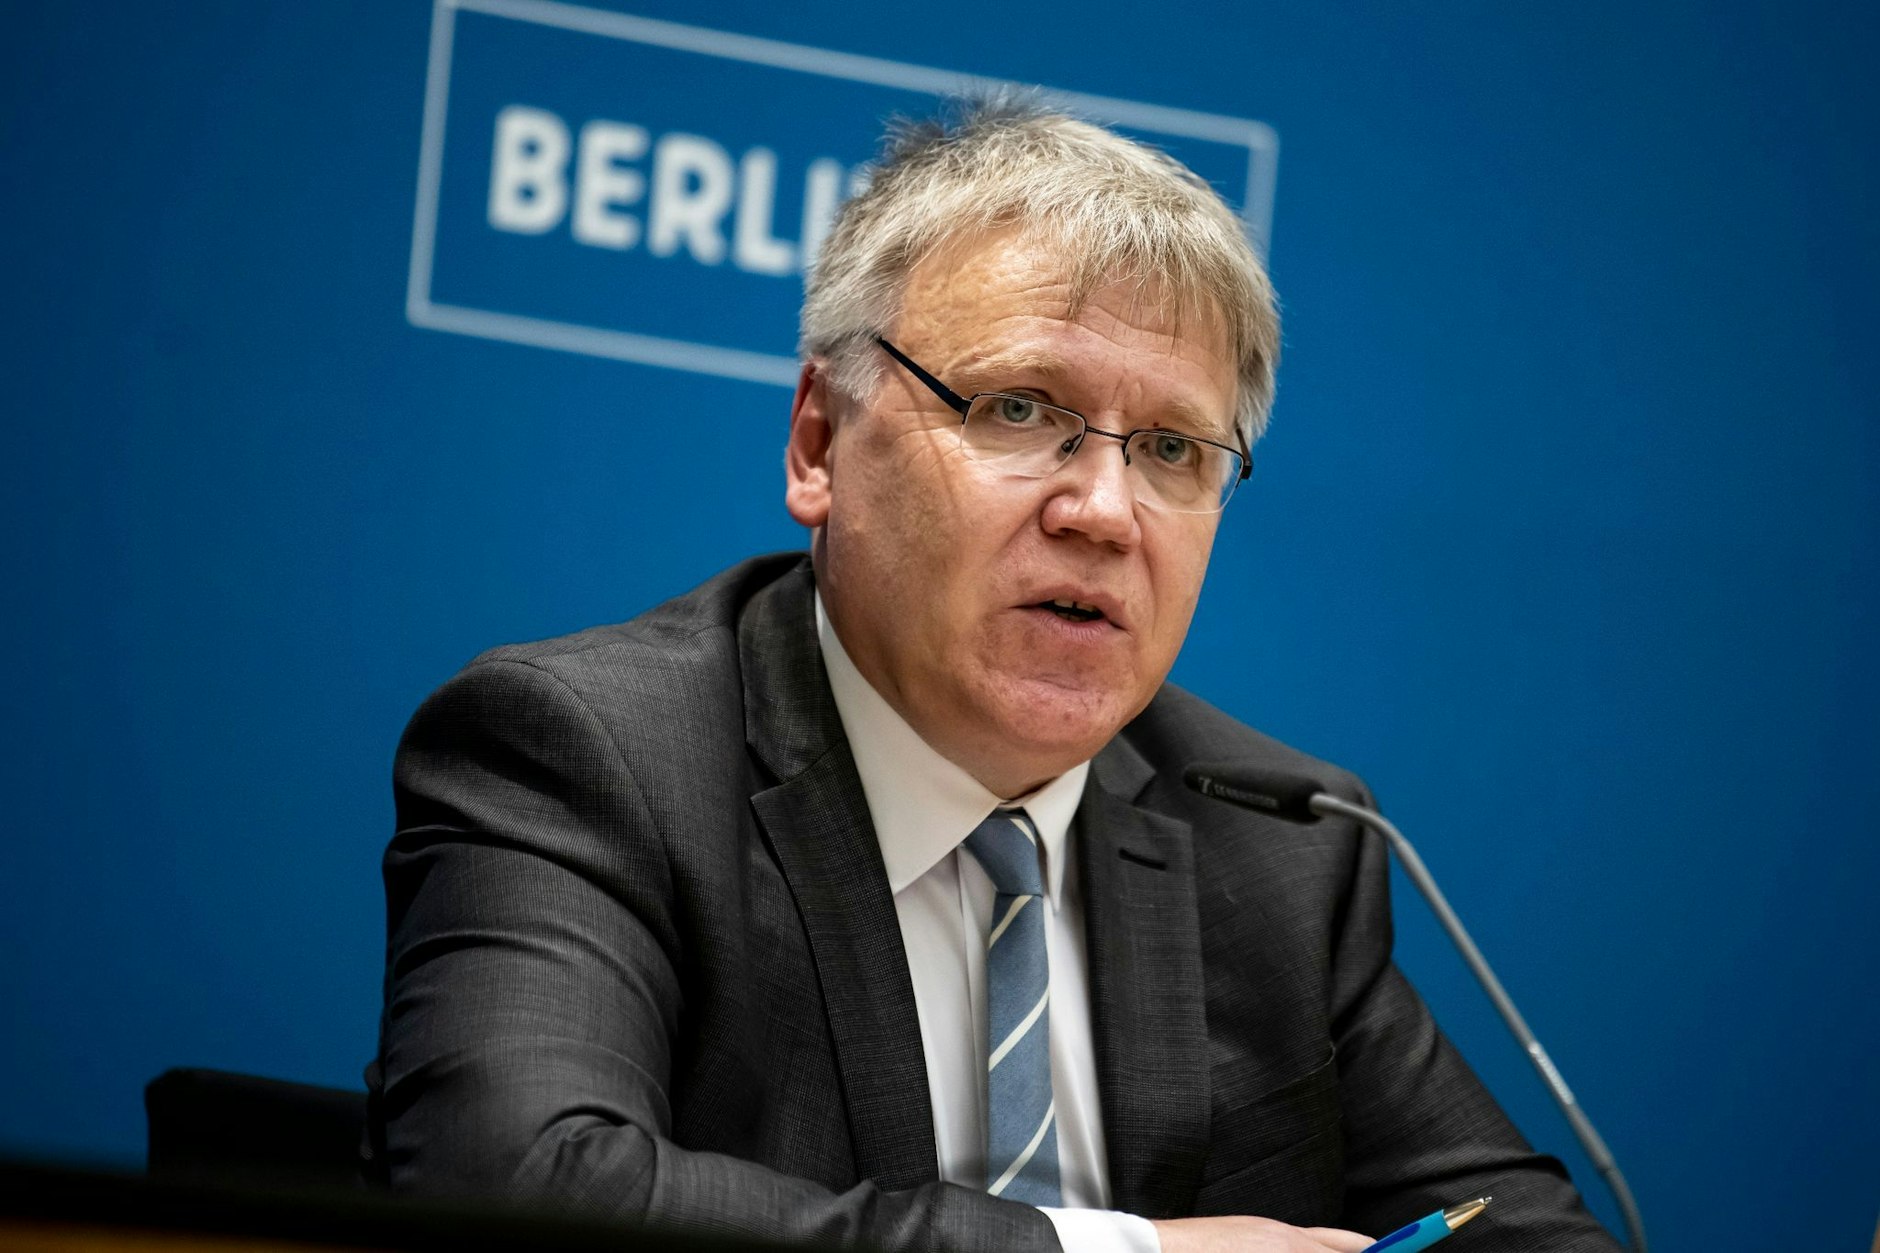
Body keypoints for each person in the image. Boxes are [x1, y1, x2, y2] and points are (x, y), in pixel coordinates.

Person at [370, 98, 1622, 1253]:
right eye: (1019, 409)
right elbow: (510, 1182)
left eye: (1172, 447)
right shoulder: (590, 752)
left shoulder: (1280, 839)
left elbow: (1518, 1236)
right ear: (819, 440)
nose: (1104, 510)